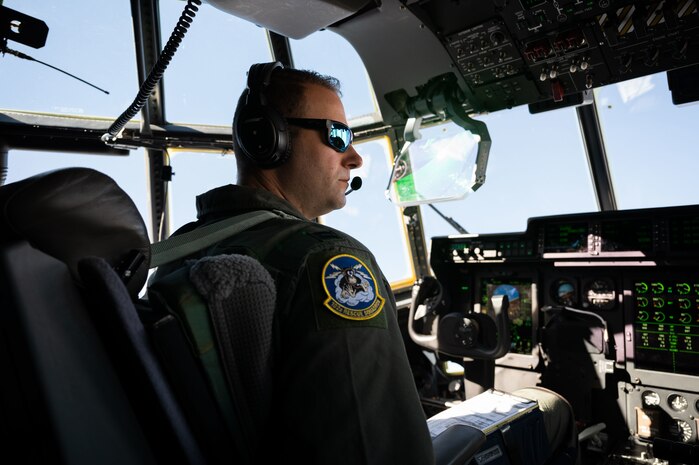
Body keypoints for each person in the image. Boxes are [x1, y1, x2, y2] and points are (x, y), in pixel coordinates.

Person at [151, 61, 577, 465]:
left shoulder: (182, 250)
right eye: (337, 136)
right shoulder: (329, 259)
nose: (354, 157)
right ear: (270, 139)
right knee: (550, 406)